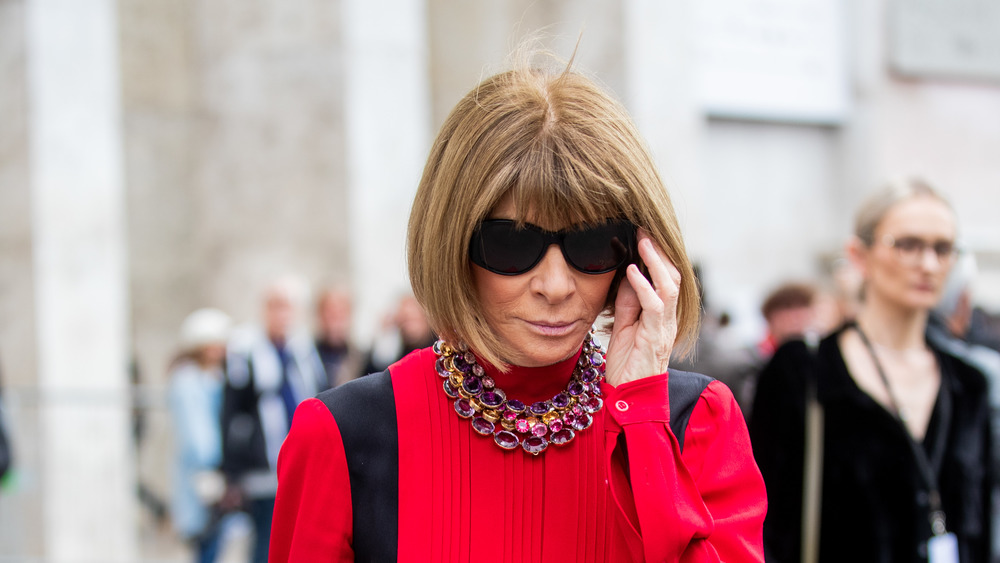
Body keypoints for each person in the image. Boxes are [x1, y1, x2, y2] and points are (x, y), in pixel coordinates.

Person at [270, 56, 766, 561]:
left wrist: (640, 423)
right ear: (453, 243)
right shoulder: (343, 435)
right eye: (513, 244)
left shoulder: (696, 423)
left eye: (593, 244)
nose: (555, 286)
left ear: (636, 255)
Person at [750, 178, 992, 562]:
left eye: (942, 248)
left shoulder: (969, 383)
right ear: (859, 254)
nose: (928, 264)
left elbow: (978, 524)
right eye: (908, 244)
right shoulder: (802, 371)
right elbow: (761, 523)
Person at [221, 277, 326, 563]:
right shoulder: (246, 352)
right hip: (263, 467)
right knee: (266, 543)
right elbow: (232, 412)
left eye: (286, 307)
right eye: (274, 307)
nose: (281, 315)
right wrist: (232, 470)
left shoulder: (303, 351)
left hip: (304, 463)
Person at [168, 308, 232, 563]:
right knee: (205, 543)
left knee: (217, 540)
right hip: (202, 476)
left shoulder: (216, 378)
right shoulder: (186, 381)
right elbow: (197, 434)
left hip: (218, 473)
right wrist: (211, 465)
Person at [361, 294, 437, 376]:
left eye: (415, 318)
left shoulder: (438, 348)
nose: (411, 327)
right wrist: (386, 337)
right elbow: (375, 374)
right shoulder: (396, 351)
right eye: (405, 319)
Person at [313, 287, 362, 388]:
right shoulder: (308, 355)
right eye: (330, 312)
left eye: (341, 313)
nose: (335, 321)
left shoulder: (359, 359)